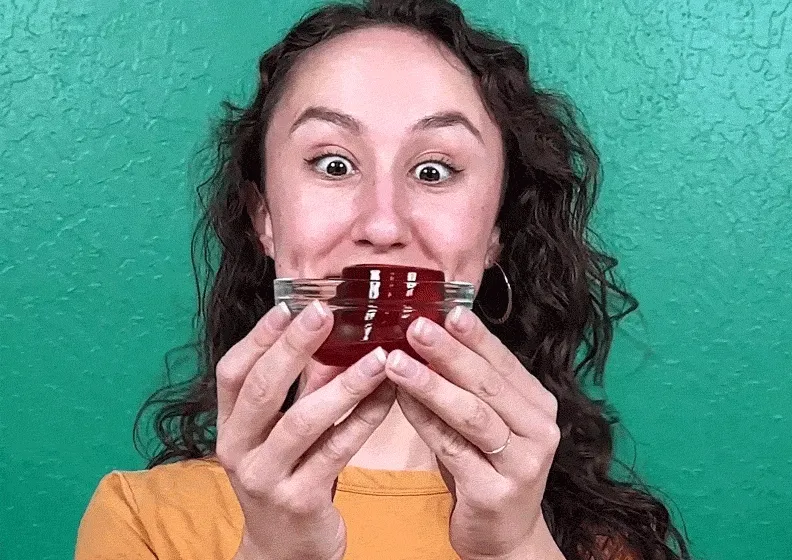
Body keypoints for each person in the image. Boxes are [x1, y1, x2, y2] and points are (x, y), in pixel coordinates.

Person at [75, 1, 694, 559]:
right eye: (333, 164)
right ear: (264, 219)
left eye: (434, 170)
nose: (382, 224)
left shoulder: (599, 547)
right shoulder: (145, 523)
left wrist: (515, 548)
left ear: (496, 233)